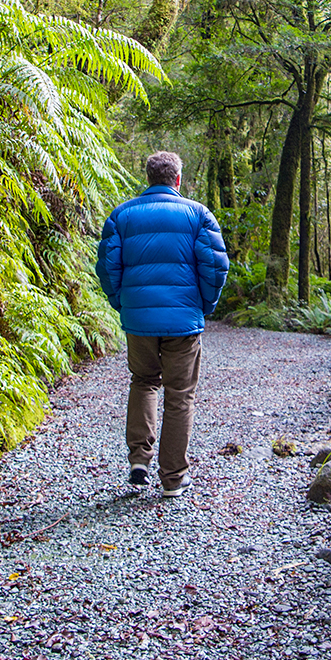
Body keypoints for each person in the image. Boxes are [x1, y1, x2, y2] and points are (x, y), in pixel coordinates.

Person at [95, 151, 229, 497]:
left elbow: (108, 267)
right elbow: (215, 266)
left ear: (149, 177)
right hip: (184, 321)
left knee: (143, 382)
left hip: (138, 319)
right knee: (180, 395)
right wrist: (204, 305)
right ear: (178, 180)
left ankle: (139, 460)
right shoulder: (198, 215)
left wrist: (123, 302)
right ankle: (173, 478)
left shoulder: (122, 215)